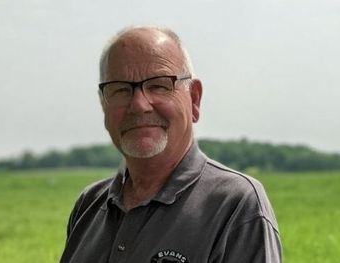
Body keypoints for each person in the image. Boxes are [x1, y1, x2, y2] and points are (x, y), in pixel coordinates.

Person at [60, 26, 282, 263]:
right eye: (121, 89)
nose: (139, 105)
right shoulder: (89, 205)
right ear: (103, 104)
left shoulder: (236, 205)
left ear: (194, 99)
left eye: (159, 85)